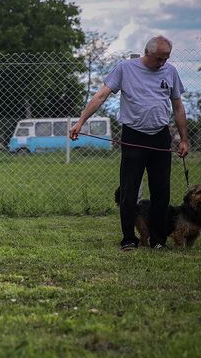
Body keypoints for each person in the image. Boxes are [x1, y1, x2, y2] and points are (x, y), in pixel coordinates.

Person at [69, 35, 189, 251]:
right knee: (129, 190)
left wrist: (184, 139)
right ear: (147, 53)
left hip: (161, 136)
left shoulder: (170, 72)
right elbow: (101, 96)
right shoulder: (125, 68)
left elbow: (178, 106)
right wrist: (80, 122)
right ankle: (128, 238)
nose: (163, 63)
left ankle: (158, 239)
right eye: (159, 58)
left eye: (166, 58)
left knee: (161, 191)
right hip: (133, 135)